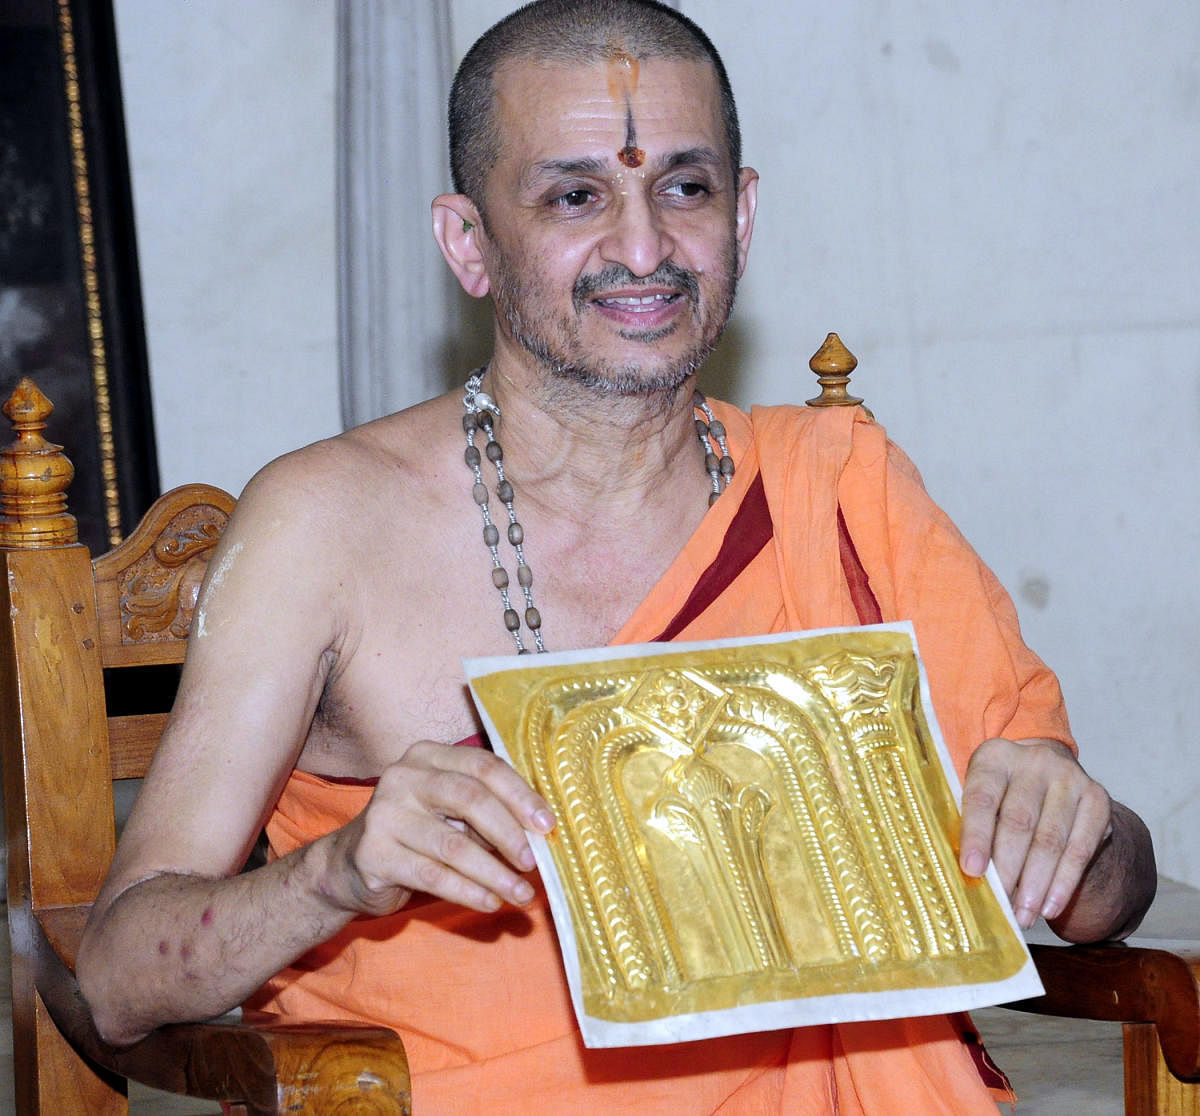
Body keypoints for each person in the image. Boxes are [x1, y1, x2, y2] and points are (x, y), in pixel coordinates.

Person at [77, 1, 1155, 1111]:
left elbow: (1104, 889)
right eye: (575, 196)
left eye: (684, 188)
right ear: (469, 242)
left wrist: (1078, 826)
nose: (644, 249)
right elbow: (115, 981)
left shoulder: (839, 482)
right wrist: (333, 876)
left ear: (742, 217)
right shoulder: (323, 523)